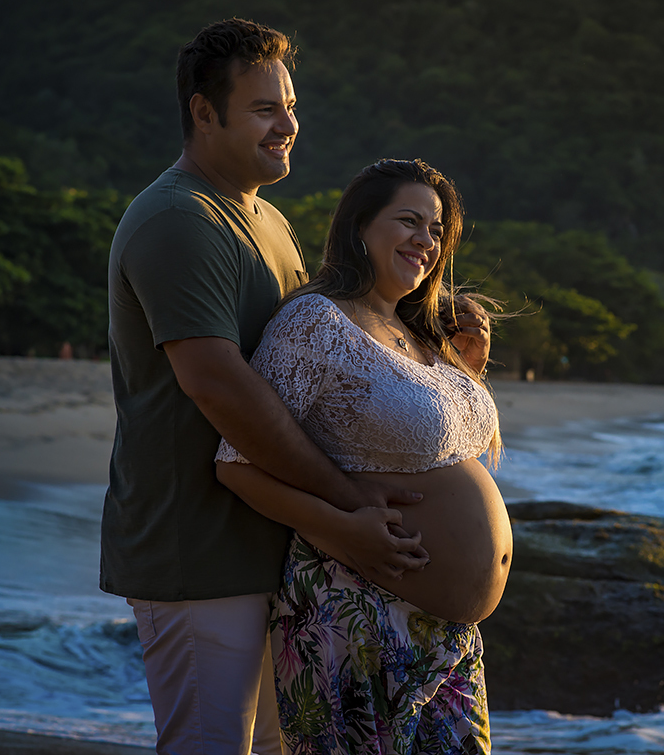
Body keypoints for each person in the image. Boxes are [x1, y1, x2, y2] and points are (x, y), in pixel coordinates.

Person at [102, 20, 468, 754]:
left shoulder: (267, 220)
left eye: (291, 106)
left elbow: (327, 351)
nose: (288, 125)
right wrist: (346, 501)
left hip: (280, 548)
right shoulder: (179, 219)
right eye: (265, 108)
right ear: (204, 112)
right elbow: (219, 385)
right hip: (199, 546)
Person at [215, 159, 511, 754]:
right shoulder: (314, 322)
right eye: (408, 221)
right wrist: (342, 529)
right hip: (354, 613)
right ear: (359, 227)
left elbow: (443, 449)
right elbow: (235, 465)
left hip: (447, 638)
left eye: (435, 230)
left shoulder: (419, 334)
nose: (425, 240)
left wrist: (467, 369)